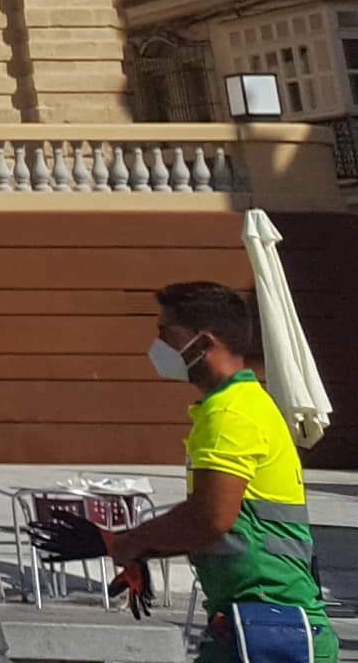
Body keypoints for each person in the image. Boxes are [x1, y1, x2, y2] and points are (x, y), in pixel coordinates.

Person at [107, 280, 334, 662]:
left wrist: (129, 542)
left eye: (167, 333)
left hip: (271, 626)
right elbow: (222, 528)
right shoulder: (240, 405)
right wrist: (142, 548)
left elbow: (210, 518)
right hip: (256, 621)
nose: (158, 345)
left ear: (203, 342)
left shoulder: (231, 413)